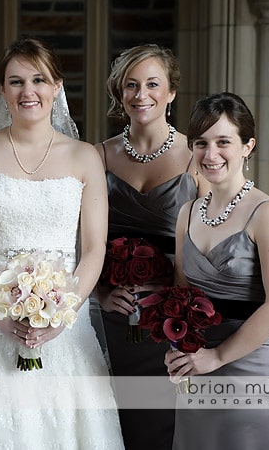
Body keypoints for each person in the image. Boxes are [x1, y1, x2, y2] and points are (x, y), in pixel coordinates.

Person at [0, 37, 124, 449]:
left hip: (64, 323)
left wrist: (62, 313)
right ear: (2, 90)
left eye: (38, 80)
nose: (27, 91)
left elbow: (94, 249)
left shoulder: (86, 157)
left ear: (57, 87)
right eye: (15, 82)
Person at [164, 92, 269, 449]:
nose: (211, 154)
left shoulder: (267, 214)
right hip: (196, 369)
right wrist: (177, 347)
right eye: (201, 143)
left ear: (247, 146)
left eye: (224, 142)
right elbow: (181, 293)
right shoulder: (187, 213)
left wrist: (218, 357)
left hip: (249, 372)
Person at [95, 43, 205, 449]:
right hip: (111, 319)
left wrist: (175, 295)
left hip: (171, 319)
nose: (142, 95)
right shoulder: (98, 156)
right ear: (119, 93)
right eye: (131, 85)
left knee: (161, 428)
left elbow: (211, 240)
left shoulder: (197, 158)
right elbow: (79, 239)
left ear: (171, 92)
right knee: (110, 424)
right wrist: (101, 291)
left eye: (153, 84)